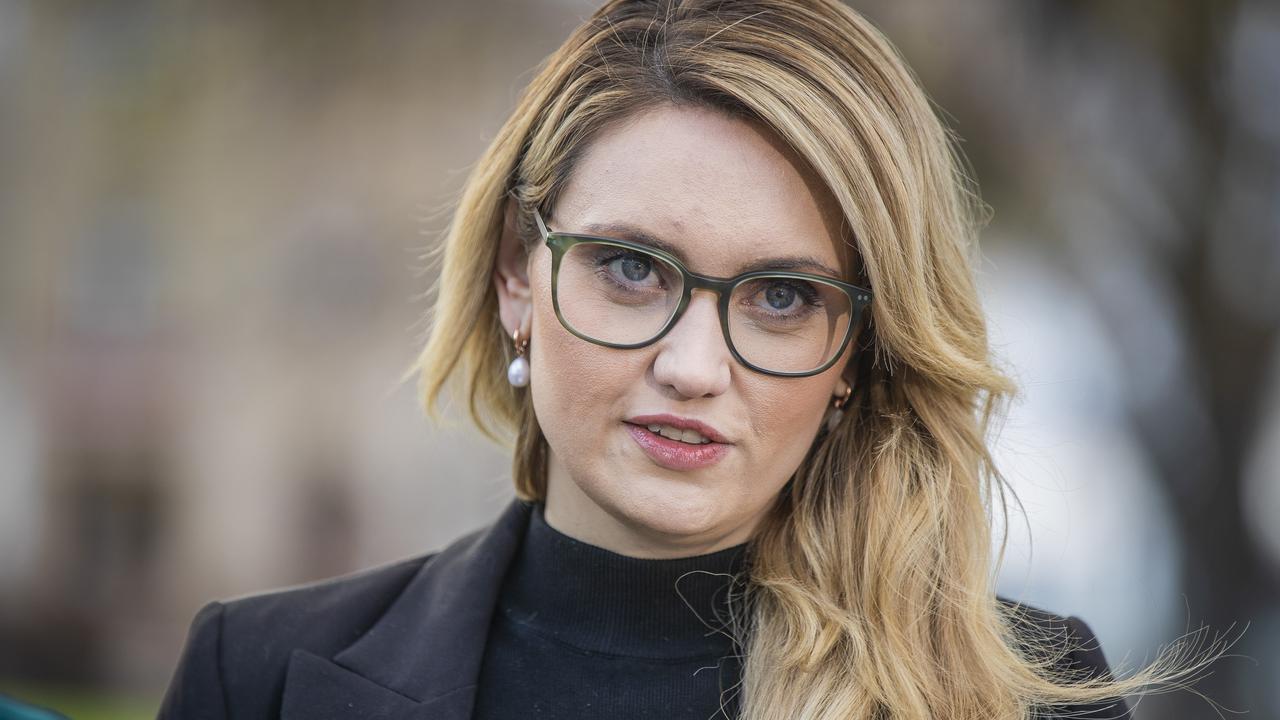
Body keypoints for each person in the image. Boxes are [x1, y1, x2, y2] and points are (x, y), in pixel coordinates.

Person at [159, 1, 1216, 718]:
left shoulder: (1017, 695)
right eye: (632, 269)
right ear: (517, 278)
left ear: (855, 350)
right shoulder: (255, 678)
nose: (693, 365)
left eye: (781, 297)